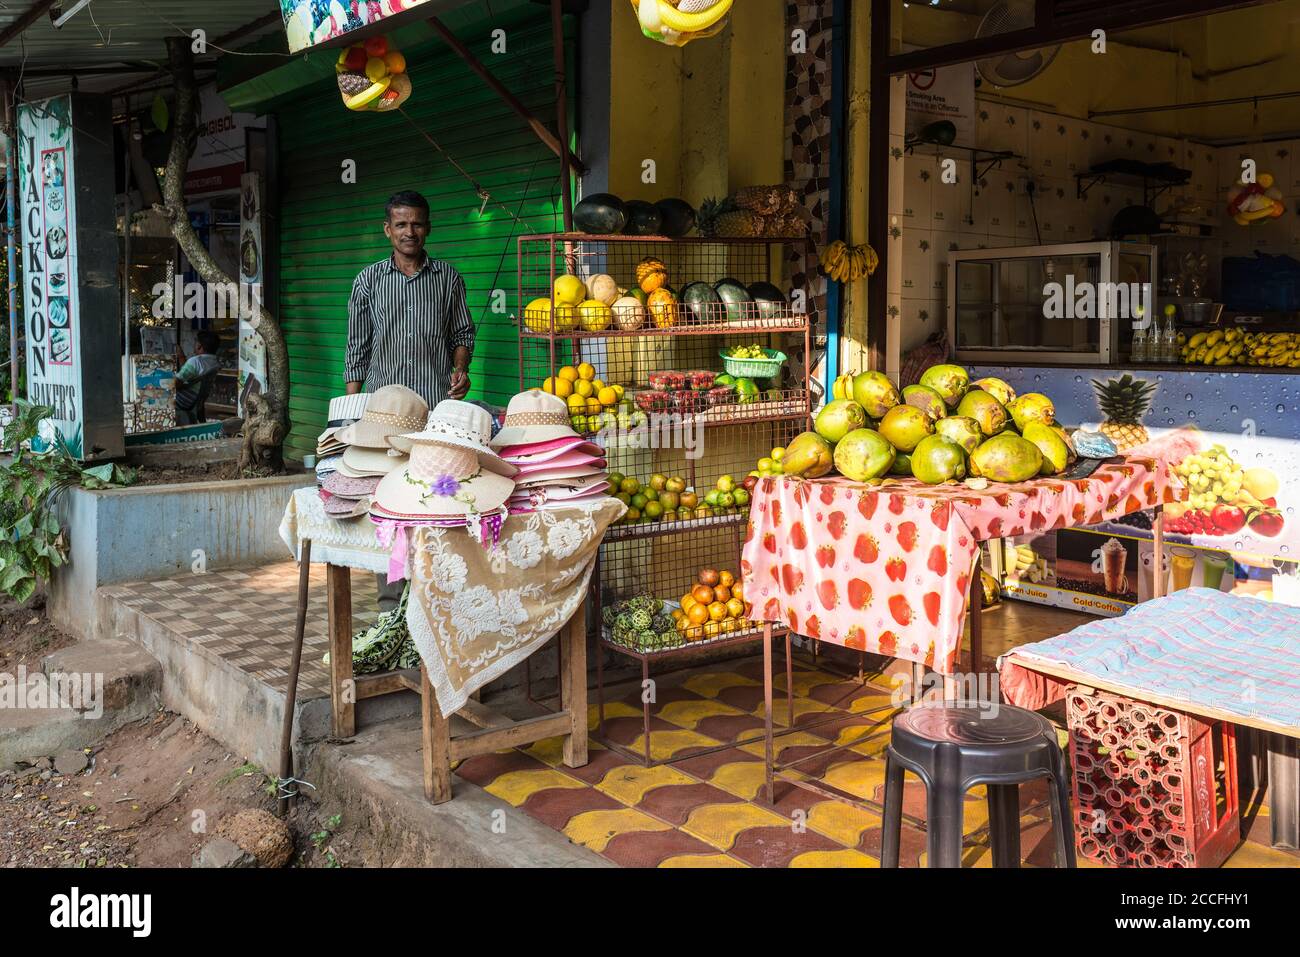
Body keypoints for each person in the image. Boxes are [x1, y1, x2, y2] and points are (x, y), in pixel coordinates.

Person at [345, 189, 477, 613]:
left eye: (417, 223)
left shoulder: (448, 278)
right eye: (400, 224)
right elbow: (356, 349)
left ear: (428, 227)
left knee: (435, 498)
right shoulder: (368, 280)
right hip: (384, 416)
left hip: (436, 414)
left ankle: (434, 598)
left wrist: (461, 369)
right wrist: (349, 417)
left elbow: (463, 335)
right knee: (388, 502)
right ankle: (391, 607)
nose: (409, 231)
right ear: (388, 230)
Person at [174, 330, 222, 424]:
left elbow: (176, 383)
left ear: (199, 346)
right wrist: (181, 357)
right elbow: (193, 374)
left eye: (196, 342)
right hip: (197, 400)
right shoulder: (214, 362)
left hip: (183, 402)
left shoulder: (195, 361)